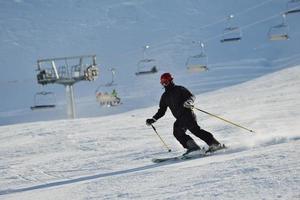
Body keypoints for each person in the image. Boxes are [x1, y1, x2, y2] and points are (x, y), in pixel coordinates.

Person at [146, 72, 223, 155]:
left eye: (166, 82)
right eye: (162, 83)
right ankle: (193, 147)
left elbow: (191, 96)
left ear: (171, 80)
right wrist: (153, 119)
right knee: (177, 132)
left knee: (196, 131)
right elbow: (162, 110)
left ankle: (215, 144)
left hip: (188, 115)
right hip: (180, 118)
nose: (164, 84)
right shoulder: (165, 96)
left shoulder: (179, 89)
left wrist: (189, 102)